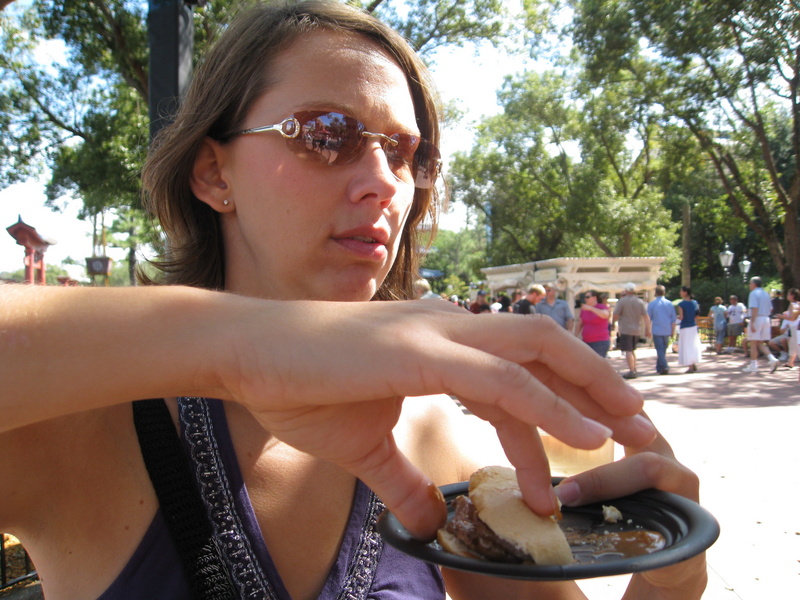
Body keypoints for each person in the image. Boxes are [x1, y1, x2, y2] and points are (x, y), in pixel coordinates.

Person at [0, 3, 706, 600]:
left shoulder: (423, 432)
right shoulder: (88, 422)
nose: (383, 184)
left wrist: (667, 581)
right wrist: (249, 349)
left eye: (404, 153)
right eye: (324, 136)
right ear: (214, 173)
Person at [612, 282, 651, 379]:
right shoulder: (640, 302)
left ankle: (632, 371)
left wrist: (613, 323)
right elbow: (646, 317)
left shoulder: (622, 301)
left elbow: (615, 314)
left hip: (626, 329)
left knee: (628, 351)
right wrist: (648, 329)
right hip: (636, 330)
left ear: (625, 290)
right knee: (633, 350)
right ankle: (634, 368)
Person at [743, 276, 780, 374]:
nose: (749, 285)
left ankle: (754, 365)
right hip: (766, 318)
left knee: (753, 342)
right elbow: (771, 309)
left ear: (754, 284)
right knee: (760, 343)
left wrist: (752, 322)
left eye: (750, 283)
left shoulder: (753, 293)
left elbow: (754, 308)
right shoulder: (766, 294)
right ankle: (772, 359)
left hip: (757, 318)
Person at [647, 285, 677, 375]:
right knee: (663, 349)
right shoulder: (669, 304)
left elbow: (648, 318)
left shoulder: (652, 304)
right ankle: (660, 367)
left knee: (660, 349)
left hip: (657, 329)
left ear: (655, 293)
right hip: (667, 329)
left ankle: (664, 366)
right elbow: (673, 319)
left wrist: (647, 330)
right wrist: (673, 331)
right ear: (664, 292)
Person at [575, 289, 611, 357]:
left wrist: (591, 308)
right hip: (586, 341)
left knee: (597, 364)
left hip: (600, 342)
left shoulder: (602, 307)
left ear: (594, 298)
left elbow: (605, 315)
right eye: (585, 297)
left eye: (588, 297)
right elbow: (580, 323)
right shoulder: (584, 309)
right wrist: (575, 335)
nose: (586, 299)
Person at [677, 286, 702, 374]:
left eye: (681, 291)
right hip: (693, 326)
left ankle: (690, 366)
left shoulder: (681, 304)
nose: (680, 292)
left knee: (687, 346)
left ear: (685, 292)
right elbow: (697, 315)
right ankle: (693, 362)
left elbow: (681, 317)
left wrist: (676, 318)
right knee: (693, 345)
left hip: (685, 327)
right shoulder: (695, 302)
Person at [779, 288, 800, 368]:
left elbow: (792, 318)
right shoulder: (797, 304)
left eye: (788, 294)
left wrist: (782, 317)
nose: (787, 296)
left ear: (792, 296)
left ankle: (790, 362)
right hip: (794, 327)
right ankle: (790, 362)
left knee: (797, 346)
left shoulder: (793, 305)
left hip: (795, 328)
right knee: (792, 344)